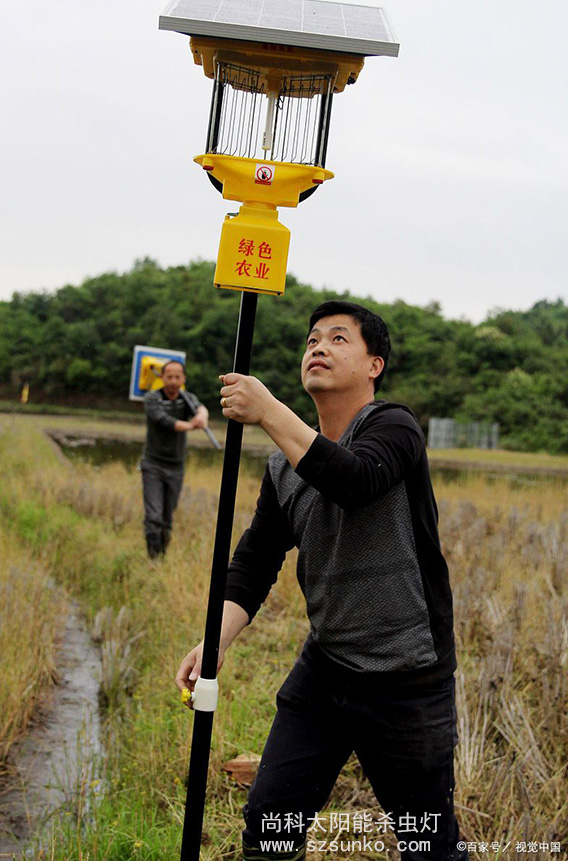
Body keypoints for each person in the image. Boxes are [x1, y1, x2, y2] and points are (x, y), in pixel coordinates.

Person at [176, 301, 467, 861]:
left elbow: (354, 480)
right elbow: (255, 561)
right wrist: (216, 641)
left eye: (338, 339)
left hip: (407, 675)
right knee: (269, 827)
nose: (319, 348)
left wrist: (268, 411)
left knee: (428, 845)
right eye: (312, 340)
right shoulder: (284, 466)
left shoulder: (392, 426)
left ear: (374, 365)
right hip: (327, 669)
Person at [141, 360, 209, 558]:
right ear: (162, 378)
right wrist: (191, 426)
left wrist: (202, 416)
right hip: (153, 464)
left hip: (176, 467)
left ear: (183, 379)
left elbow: (200, 408)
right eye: (169, 377)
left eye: (177, 377)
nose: (173, 381)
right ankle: (153, 560)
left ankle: (162, 554)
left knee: (167, 517)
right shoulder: (152, 399)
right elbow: (165, 420)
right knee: (153, 516)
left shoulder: (186, 398)